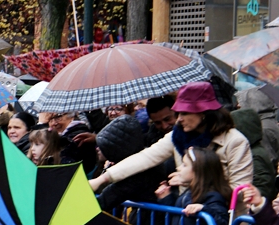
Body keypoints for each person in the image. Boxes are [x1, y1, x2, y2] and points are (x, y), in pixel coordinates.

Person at [90, 82, 253, 192]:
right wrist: (103, 179)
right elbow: (146, 157)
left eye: (185, 113)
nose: (179, 118)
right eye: (178, 113)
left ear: (203, 113)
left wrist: (193, 181)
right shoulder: (179, 134)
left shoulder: (235, 142)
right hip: (188, 222)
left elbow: (241, 191)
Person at [235, 87, 279, 168]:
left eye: (242, 103)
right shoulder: (265, 123)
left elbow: (266, 163)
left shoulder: (263, 129)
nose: (238, 106)